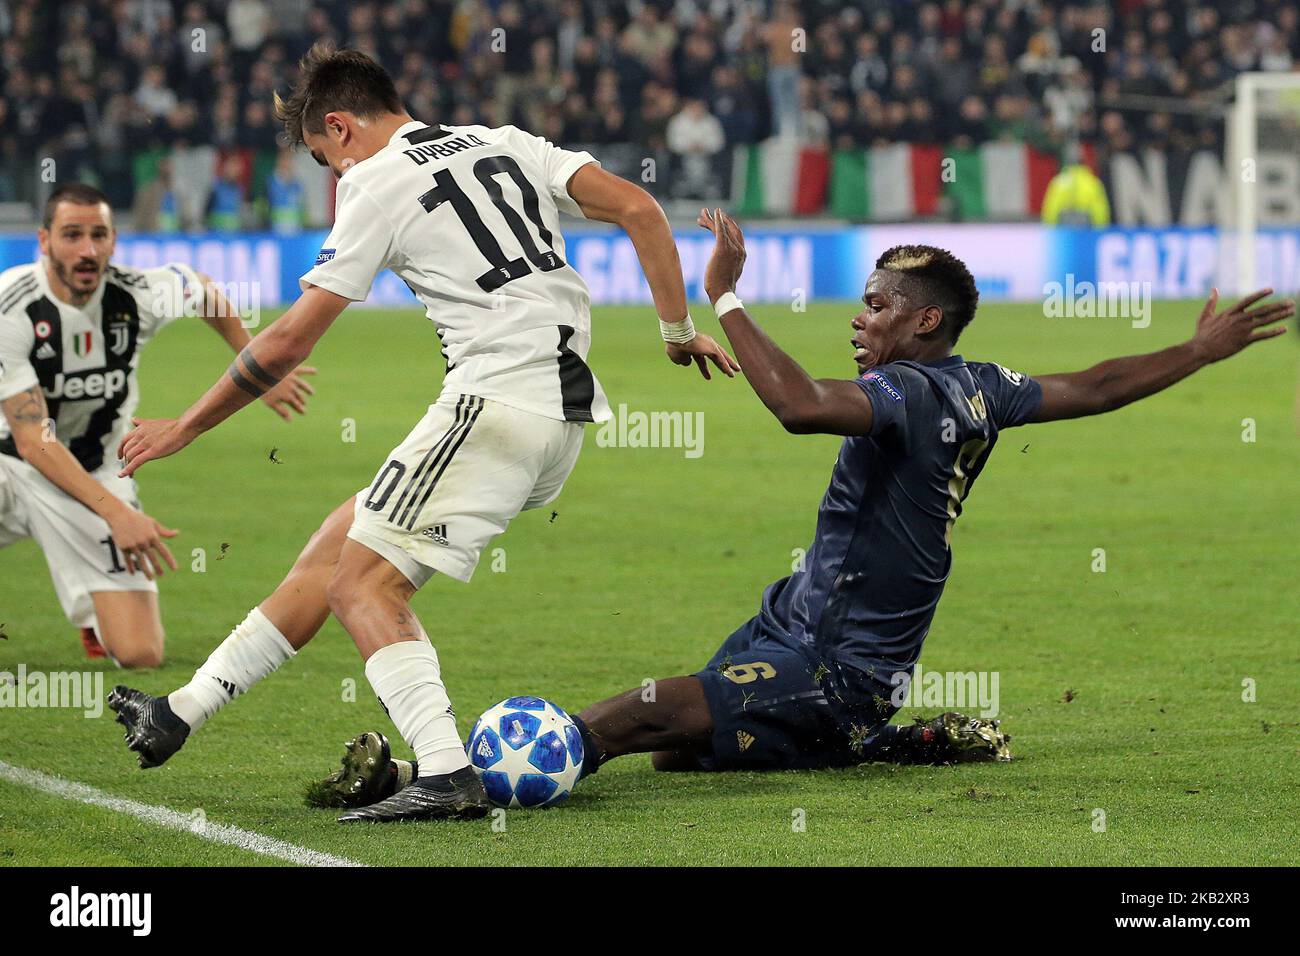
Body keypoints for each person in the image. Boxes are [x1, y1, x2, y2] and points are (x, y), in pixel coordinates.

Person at [311, 209, 1292, 807]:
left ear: (924, 322)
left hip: (833, 662)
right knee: (676, 754)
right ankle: (886, 739)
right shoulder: (982, 384)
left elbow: (795, 405)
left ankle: (421, 779)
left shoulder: (910, 396)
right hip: (796, 628)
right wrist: (1193, 354)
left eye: (874, 305)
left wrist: (726, 301)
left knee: (627, 715)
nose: (858, 316)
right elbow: (1098, 381)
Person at [107, 44, 737, 822]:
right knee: (336, 551)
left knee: (361, 586)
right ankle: (182, 711)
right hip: (558, 412)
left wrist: (185, 428)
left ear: (339, 126)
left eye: (323, 159)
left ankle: (444, 771)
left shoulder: (372, 182)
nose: (333, 177)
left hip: (494, 401)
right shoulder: (506, 142)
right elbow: (641, 209)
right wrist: (676, 331)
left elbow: (289, 340)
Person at [0, 183, 315, 666]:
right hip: (10, 465)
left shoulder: (137, 294)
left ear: (113, 240)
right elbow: (32, 441)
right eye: (72, 235)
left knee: (140, 653)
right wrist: (118, 515)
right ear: (44, 241)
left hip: (94, 473)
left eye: (99, 235)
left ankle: (94, 615)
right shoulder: (13, 306)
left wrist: (256, 367)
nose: (87, 250)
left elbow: (202, 288)